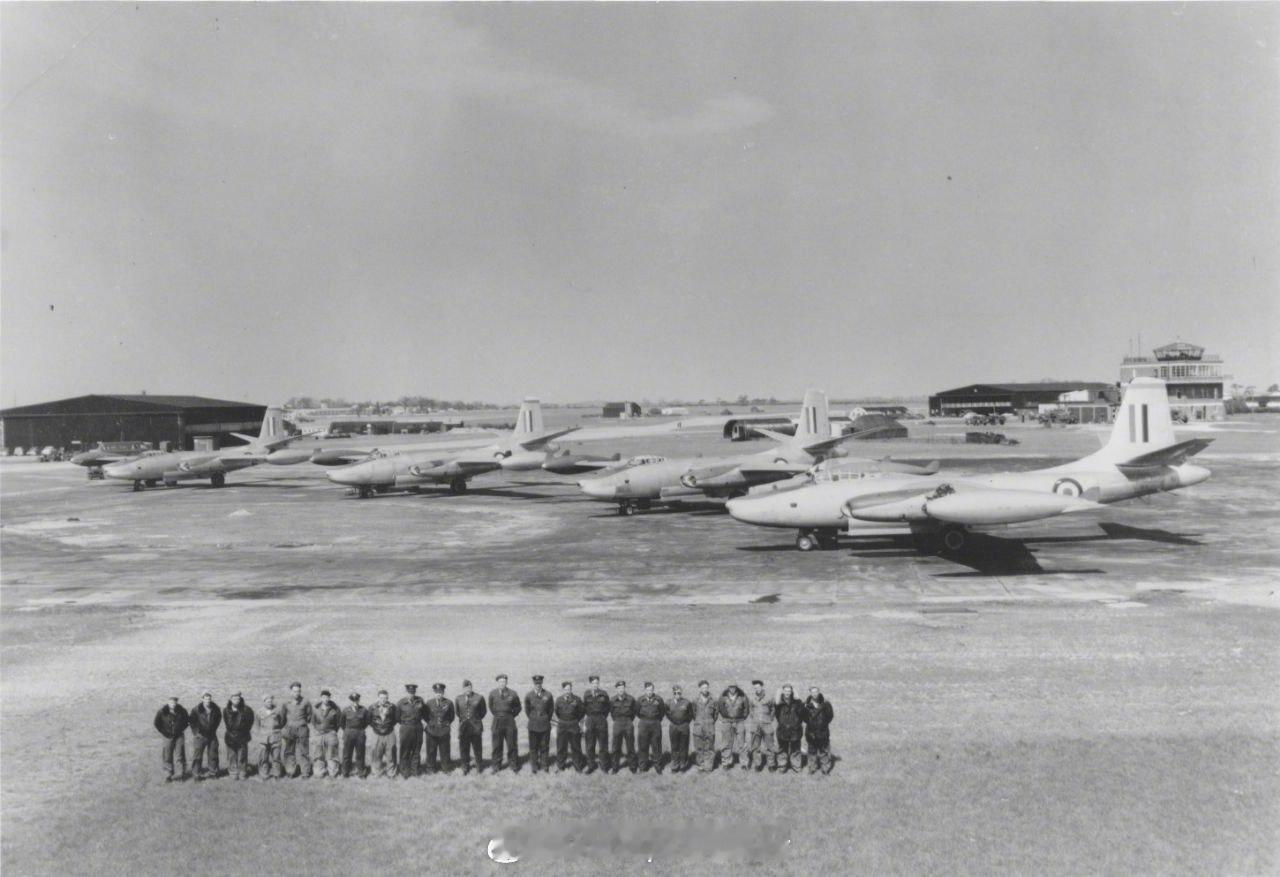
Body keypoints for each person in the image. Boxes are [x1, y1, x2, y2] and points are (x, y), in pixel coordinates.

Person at [488, 674, 522, 772]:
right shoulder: (492, 694)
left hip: (509, 722)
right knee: (497, 745)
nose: (502, 683)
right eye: (500, 681)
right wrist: (498, 714)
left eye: (504, 681)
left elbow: (518, 707)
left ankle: (513, 764)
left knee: (511, 744)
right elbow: (491, 707)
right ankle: (496, 765)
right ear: (497, 682)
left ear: (506, 682)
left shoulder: (513, 693)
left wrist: (510, 715)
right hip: (497, 721)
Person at [281, 682, 313, 778]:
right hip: (289, 729)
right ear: (291, 691)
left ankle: (305, 772)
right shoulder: (286, 703)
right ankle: (290, 771)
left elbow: (309, 716)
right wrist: (287, 727)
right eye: (294, 691)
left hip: (302, 729)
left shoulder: (306, 702)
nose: (296, 693)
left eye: (298, 691)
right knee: (289, 751)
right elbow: (282, 717)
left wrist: (302, 723)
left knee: (304, 751)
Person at [153, 696, 189, 782]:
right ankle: (168, 775)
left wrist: (180, 730)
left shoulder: (182, 711)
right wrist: (164, 732)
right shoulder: (162, 712)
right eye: (171, 702)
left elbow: (187, 721)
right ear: (168, 702)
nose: (173, 704)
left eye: (174, 702)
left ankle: (181, 774)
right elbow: (157, 723)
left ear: (176, 702)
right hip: (167, 737)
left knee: (180, 755)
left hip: (179, 736)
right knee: (167, 755)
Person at [524, 675, 554, 774]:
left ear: (542, 683)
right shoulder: (529, 695)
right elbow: (527, 710)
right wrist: (534, 718)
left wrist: (545, 719)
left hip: (545, 725)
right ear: (534, 684)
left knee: (544, 746)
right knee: (533, 747)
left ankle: (545, 765)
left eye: (539, 683)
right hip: (533, 725)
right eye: (536, 683)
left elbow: (551, 710)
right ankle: (534, 766)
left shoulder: (548, 695)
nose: (538, 685)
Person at [455, 680, 486, 774]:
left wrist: (475, 719)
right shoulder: (458, 698)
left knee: (477, 748)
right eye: (465, 688)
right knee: (464, 748)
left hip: (476, 727)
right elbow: (458, 712)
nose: (467, 689)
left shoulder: (479, 697)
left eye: (469, 687)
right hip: (464, 728)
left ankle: (479, 767)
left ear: (471, 687)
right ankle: (465, 766)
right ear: (463, 689)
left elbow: (483, 712)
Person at [553, 681, 585, 772]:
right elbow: (556, 712)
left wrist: (576, 721)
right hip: (562, 724)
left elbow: (582, 711)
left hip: (573, 724)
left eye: (569, 689)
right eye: (566, 689)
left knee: (576, 746)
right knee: (561, 746)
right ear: (563, 690)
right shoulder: (559, 700)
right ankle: (560, 765)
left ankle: (578, 765)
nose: (568, 691)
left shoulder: (577, 699)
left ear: (571, 689)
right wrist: (562, 720)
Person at [746, 679, 778, 772]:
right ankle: (757, 764)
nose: (757, 688)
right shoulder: (752, 698)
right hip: (755, 725)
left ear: (762, 686)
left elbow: (773, 709)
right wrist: (754, 718)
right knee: (755, 746)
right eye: (755, 687)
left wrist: (769, 719)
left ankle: (771, 764)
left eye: (758, 686)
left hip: (767, 724)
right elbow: (750, 709)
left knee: (770, 745)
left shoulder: (769, 697)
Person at [581, 675, 611, 774]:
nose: (595, 685)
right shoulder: (586, 694)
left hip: (601, 720)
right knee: (590, 745)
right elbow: (583, 708)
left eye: (597, 683)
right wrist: (585, 722)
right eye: (593, 683)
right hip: (590, 720)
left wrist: (602, 717)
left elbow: (607, 707)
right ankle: (591, 766)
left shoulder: (604, 694)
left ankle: (604, 766)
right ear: (590, 684)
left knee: (603, 745)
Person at [189, 692, 222, 780]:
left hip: (212, 735)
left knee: (213, 754)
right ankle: (196, 774)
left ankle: (213, 773)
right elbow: (192, 721)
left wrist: (214, 728)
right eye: (206, 698)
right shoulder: (196, 709)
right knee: (197, 756)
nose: (208, 700)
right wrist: (196, 733)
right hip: (200, 736)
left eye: (209, 698)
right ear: (202, 699)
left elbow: (218, 718)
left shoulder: (216, 709)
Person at [635, 682, 667, 773]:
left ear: (653, 690)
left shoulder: (658, 699)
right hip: (644, 723)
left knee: (656, 745)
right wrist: (644, 719)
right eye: (648, 690)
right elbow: (637, 712)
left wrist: (656, 720)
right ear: (645, 690)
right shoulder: (640, 700)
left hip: (655, 724)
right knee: (643, 745)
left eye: (651, 690)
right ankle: (643, 766)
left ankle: (658, 766)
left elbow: (662, 712)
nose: (649, 692)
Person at [716, 684, 749, 770]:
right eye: (730, 687)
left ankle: (744, 763)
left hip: (739, 722)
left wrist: (740, 717)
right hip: (727, 722)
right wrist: (726, 717)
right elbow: (720, 708)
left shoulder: (742, 696)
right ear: (728, 687)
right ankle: (726, 762)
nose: (732, 689)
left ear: (736, 687)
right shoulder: (723, 696)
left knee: (742, 743)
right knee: (726, 743)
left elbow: (746, 709)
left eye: (734, 687)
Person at [396, 684, 426, 778]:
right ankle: (404, 771)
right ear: (406, 692)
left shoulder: (420, 700)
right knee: (405, 751)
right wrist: (406, 724)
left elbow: (424, 713)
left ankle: (415, 770)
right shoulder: (401, 703)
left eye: (413, 692)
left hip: (418, 728)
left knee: (416, 750)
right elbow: (397, 718)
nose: (411, 694)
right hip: (406, 728)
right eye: (409, 692)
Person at [424, 683, 455, 773]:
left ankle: (446, 768)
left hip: (444, 730)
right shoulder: (429, 703)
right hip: (432, 730)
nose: (439, 694)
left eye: (440, 692)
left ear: (443, 692)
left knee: (445, 750)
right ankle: (430, 768)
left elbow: (452, 716)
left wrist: (446, 724)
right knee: (431, 750)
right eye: (437, 692)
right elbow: (425, 715)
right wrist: (430, 723)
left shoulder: (449, 703)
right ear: (434, 693)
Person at [311, 690, 343, 778]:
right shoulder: (316, 709)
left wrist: (333, 731)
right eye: (324, 697)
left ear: (329, 698)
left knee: (332, 754)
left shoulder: (335, 709)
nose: (325, 699)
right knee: (318, 753)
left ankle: (333, 771)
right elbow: (313, 722)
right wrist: (318, 730)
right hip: (319, 734)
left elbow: (339, 722)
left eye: (327, 697)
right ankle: (320, 771)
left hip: (331, 733)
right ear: (321, 698)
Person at [803, 685, 834, 775]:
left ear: (819, 692)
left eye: (816, 691)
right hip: (811, 732)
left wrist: (823, 724)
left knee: (824, 751)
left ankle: (825, 769)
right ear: (810, 693)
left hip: (823, 732)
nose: (814, 694)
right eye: (812, 692)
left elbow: (830, 716)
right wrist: (811, 724)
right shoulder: (806, 705)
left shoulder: (826, 704)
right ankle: (812, 768)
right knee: (811, 751)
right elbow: (804, 718)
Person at [223, 692, 254, 780]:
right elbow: (226, 722)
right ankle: (233, 773)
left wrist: (243, 731)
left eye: (238, 698)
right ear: (230, 699)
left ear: (240, 699)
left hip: (242, 736)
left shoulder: (247, 710)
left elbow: (250, 722)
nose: (236, 700)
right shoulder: (226, 710)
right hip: (230, 736)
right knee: (232, 755)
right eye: (234, 698)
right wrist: (231, 732)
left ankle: (242, 772)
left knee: (242, 755)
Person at [609, 680, 638, 774]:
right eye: (619, 688)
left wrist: (629, 720)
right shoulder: (613, 700)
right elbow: (612, 713)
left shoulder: (631, 699)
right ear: (616, 689)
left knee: (630, 746)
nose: (621, 690)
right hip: (617, 723)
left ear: (624, 688)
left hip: (628, 723)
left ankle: (633, 767)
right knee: (616, 746)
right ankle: (615, 767)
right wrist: (617, 720)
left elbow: (634, 712)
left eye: (622, 688)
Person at [368, 690, 399, 778]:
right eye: (381, 698)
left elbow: (396, 719)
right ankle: (376, 772)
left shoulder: (392, 707)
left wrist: (387, 726)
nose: (383, 700)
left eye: (385, 698)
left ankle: (391, 773)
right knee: (376, 753)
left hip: (389, 733)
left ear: (387, 698)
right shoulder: (372, 707)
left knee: (391, 753)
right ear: (378, 698)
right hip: (377, 734)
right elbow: (369, 720)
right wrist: (377, 728)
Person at [775, 684, 805, 773]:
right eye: (785, 691)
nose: (787, 693)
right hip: (782, 730)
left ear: (791, 692)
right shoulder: (778, 703)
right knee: (782, 749)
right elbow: (777, 715)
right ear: (783, 691)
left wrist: (798, 698)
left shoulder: (797, 702)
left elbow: (802, 713)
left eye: (789, 691)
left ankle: (796, 766)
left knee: (795, 749)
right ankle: (782, 766)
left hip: (795, 730)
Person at [255, 695, 286, 780]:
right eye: (267, 701)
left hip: (275, 736)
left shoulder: (278, 711)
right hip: (263, 738)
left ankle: (276, 774)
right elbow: (257, 725)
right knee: (263, 757)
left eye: (271, 701)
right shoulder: (259, 712)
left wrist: (277, 729)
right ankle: (264, 774)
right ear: (264, 702)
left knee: (276, 756)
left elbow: (282, 721)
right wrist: (260, 735)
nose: (269, 703)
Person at [340, 692, 370, 778]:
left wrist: (360, 729)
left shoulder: (363, 710)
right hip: (348, 733)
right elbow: (342, 723)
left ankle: (361, 772)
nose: (355, 702)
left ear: (359, 700)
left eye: (356, 700)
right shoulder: (346, 710)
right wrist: (347, 731)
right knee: (347, 754)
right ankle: (345, 773)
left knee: (360, 754)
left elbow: (367, 722)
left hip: (360, 733)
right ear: (350, 701)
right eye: (353, 701)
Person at [666, 685, 695, 773]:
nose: (677, 694)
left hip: (684, 726)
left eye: (679, 693)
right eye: (675, 693)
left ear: (681, 693)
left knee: (684, 746)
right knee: (674, 746)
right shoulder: (668, 702)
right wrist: (674, 721)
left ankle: (683, 764)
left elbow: (691, 714)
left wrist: (685, 722)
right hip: (673, 726)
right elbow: (667, 714)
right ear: (673, 693)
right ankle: (675, 765)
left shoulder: (686, 702)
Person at [691, 681, 718, 772]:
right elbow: (693, 713)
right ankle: (701, 765)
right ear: (699, 689)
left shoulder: (713, 700)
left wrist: (709, 721)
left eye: (706, 687)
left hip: (709, 727)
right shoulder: (695, 700)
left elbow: (715, 714)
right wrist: (699, 721)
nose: (705, 689)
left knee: (709, 747)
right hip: (698, 727)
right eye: (703, 688)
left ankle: (708, 766)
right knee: (699, 747)